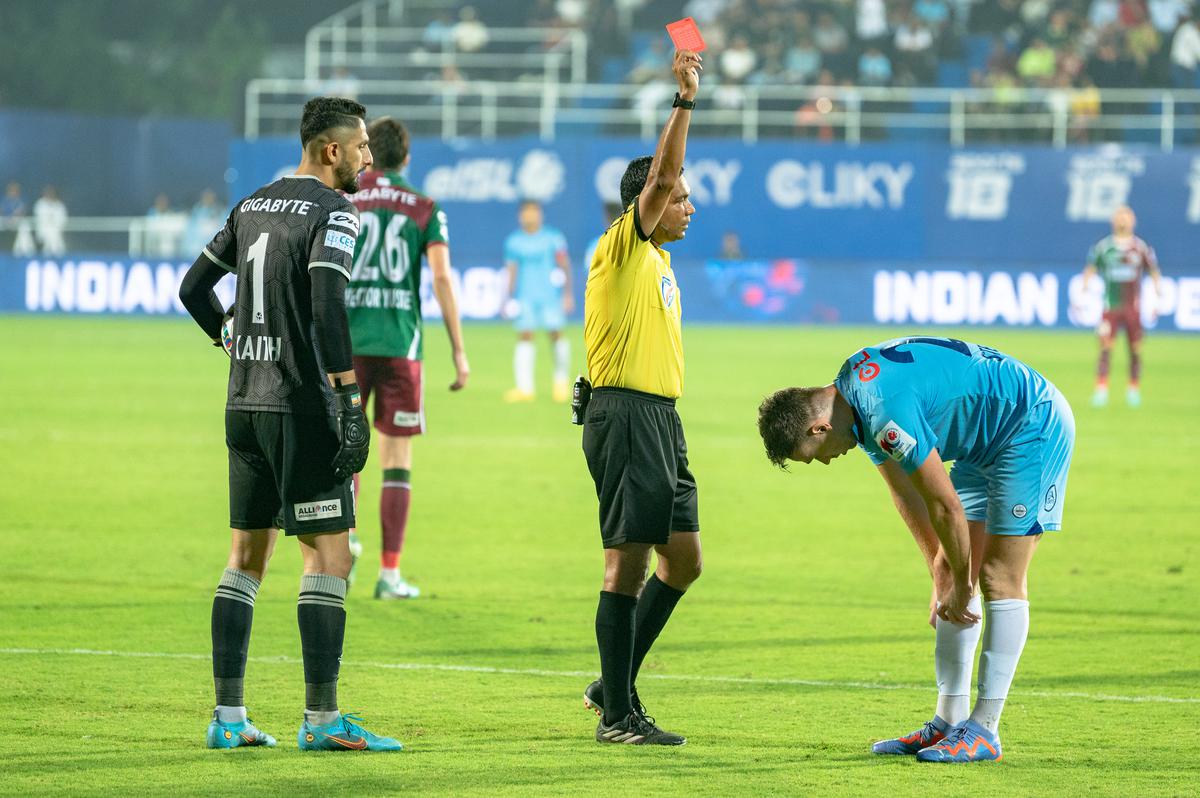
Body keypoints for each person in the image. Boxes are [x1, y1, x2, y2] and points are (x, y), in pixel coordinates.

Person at [178, 96, 401, 753]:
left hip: (243, 403)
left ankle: (227, 717)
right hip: (300, 408)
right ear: (331, 150)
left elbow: (195, 287)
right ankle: (324, 722)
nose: (368, 157)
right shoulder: (335, 211)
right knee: (329, 555)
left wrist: (229, 338)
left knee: (245, 558)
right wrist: (350, 400)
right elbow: (329, 303)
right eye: (360, 146)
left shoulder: (252, 203)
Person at [757, 335, 1075, 763]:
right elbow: (907, 493)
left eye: (813, 455)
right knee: (950, 567)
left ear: (819, 428)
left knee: (998, 576)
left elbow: (945, 506)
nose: (826, 461)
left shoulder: (883, 413)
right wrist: (942, 575)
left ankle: (985, 730)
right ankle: (948, 722)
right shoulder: (855, 400)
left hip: (1029, 426)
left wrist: (962, 583)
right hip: (986, 442)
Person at [579, 48, 703, 747]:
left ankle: (611, 682)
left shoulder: (656, 263)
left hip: (659, 419)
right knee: (626, 563)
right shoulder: (622, 246)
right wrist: (683, 102)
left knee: (682, 560)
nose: (689, 205)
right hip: (626, 417)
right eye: (681, 196)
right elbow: (659, 175)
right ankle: (619, 716)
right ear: (649, 204)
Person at [345, 116, 470, 600]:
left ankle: (346, 542)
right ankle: (390, 574)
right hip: (401, 346)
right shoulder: (424, 207)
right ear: (408, 157)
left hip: (348, 344)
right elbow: (440, 279)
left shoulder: (346, 200)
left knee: (346, 455)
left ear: (368, 153)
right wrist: (459, 351)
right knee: (397, 460)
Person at [1081, 206, 1161, 408]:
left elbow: (1153, 272)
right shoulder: (1104, 247)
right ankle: (1101, 390)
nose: (1123, 221)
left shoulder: (1140, 247)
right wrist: (1082, 294)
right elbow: (1090, 270)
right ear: (1113, 221)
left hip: (1133, 308)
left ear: (1133, 221)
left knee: (1135, 349)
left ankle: (1133, 390)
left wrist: (1157, 299)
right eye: (1119, 217)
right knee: (1106, 347)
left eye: (1126, 217)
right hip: (1111, 307)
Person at [503, 200, 574, 403]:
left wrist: (568, 294)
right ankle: (525, 388)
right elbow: (511, 272)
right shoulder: (514, 241)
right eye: (526, 213)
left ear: (540, 215)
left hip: (550, 296)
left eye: (533, 212)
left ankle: (561, 383)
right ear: (520, 216)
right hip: (525, 297)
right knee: (525, 336)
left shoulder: (553, 238)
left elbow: (565, 265)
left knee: (556, 335)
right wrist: (507, 298)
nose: (530, 217)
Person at [33, 186, 67, 255]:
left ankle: (59, 259)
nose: (50, 195)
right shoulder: (40, 204)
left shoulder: (59, 205)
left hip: (57, 231)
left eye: (51, 193)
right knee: (51, 237)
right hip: (44, 230)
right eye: (48, 193)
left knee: (56, 238)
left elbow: (63, 220)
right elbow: (39, 219)